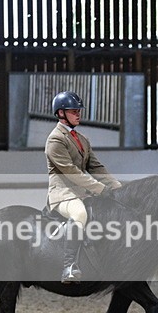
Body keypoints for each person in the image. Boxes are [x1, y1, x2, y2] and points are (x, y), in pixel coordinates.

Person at [45, 90, 122, 283]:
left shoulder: (82, 139)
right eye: (73, 111)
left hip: (82, 193)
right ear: (61, 113)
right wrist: (101, 190)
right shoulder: (55, 140)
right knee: (80, 214)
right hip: (63, 195)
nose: (78, 114)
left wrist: (118, 188)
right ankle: (69, 266)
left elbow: (96, 167)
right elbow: (71, 172)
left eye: (78, 110)